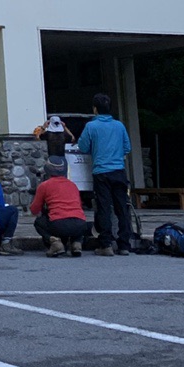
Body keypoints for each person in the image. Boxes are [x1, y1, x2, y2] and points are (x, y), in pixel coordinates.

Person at [77, 92, 133, 255]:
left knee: (103, 208)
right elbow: (127, 148)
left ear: (95, 109)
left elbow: (83, 147)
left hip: (101, 172)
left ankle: (106, 244)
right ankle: (124, 244)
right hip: (119, 171)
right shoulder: (119, 125)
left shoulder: (91, 126)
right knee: (122, 207)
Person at [30, 160, 91, 256]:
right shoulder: (73, 185)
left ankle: (54, 242)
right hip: (80, 224)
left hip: (58, 223)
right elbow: (79, 205)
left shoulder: (44, 185)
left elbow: (34, 209)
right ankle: (76, 243)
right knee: (76, 222)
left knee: (38, 222)